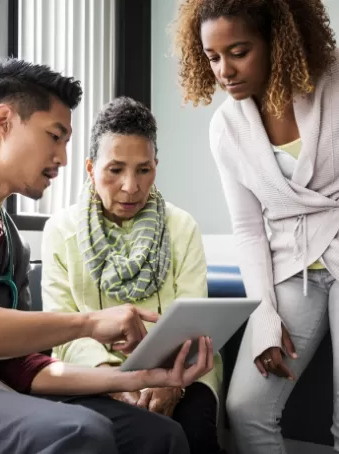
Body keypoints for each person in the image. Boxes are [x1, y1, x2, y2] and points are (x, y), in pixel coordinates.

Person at [0, 59, 216, 454]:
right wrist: (90, 323)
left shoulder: (10, 245)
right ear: (4, 121)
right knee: (79, 433)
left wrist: (139, 377)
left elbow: (23, 367)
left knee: (159, 436)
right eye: (54, 136)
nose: (62, 157)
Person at [174, 0, 339, 453]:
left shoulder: (334, 85)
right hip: (291, 265)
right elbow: (247, 228)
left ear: (277, 41)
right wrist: (265, 314)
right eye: (212, 57)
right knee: (245, 408)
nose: (224, 70)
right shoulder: (226, 127)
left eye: (239, 51)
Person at [42, 96, 225, 454]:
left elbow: (195, 323)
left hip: (184, 371)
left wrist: (171, 382)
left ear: (156, 166)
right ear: (91, 168)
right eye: (115, 170)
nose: (131, 186)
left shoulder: (181, 226)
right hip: (94, 374)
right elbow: (62, 331)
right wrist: (113, 379)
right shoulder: (60, 231)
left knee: (195, 435)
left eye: (144, 170)